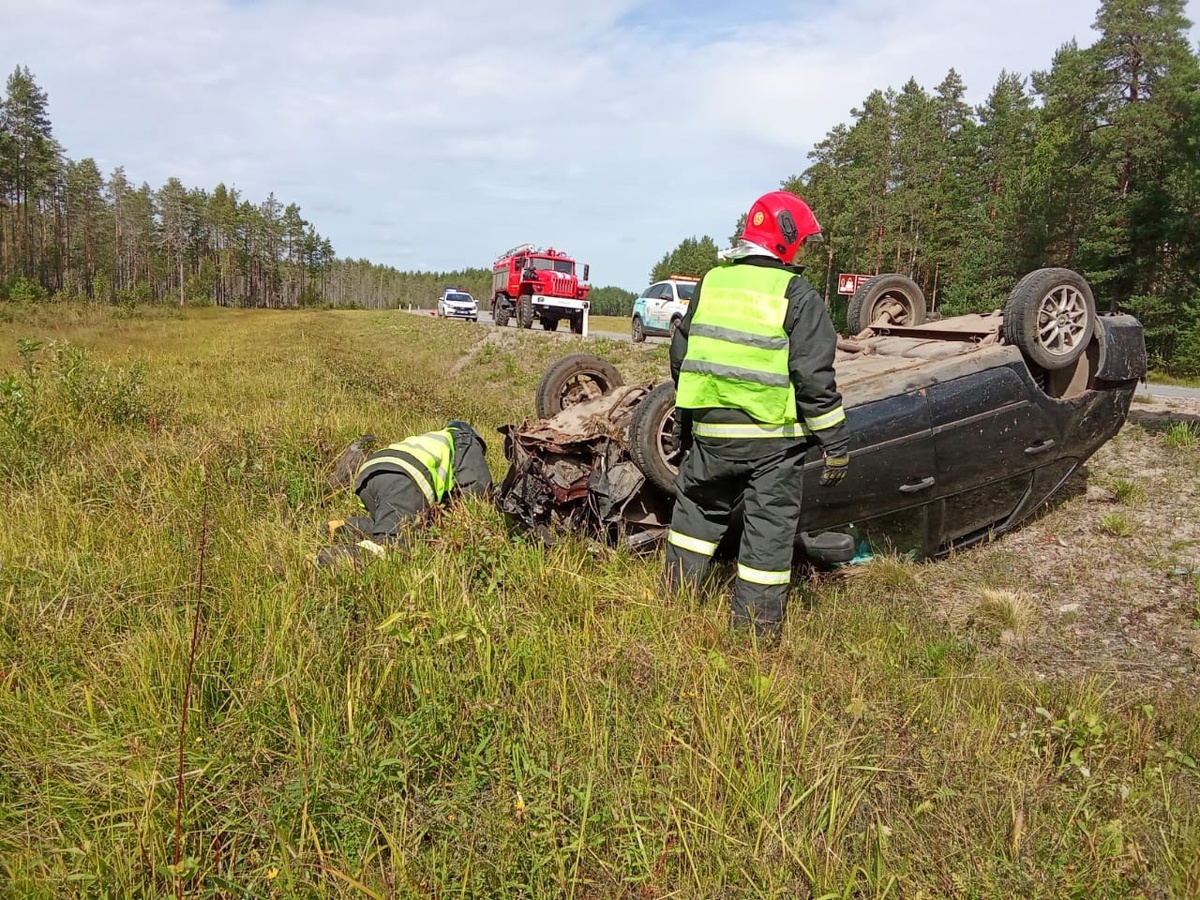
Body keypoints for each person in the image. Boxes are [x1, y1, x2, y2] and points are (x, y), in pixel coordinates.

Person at [663, 190, 850, 640]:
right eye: (800, 239)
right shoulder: (796, 294)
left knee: (695, 516)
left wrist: (695, 417)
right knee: (767, 534)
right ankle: (752, 638)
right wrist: (836, 445)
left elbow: (681, 354)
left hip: (710, 435)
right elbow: (813, 379)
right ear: (785, 239)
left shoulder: (711, 282)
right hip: (772, 441)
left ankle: (672, 607)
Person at [311, 420, 493, 569]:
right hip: (405, 477)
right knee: (395, 546)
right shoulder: (465, 438)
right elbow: (477, 487)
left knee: (406, 527)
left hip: (372, 474)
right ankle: (326, 562)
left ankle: (346, 527)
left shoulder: (434, 439)